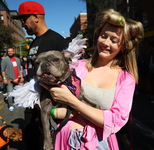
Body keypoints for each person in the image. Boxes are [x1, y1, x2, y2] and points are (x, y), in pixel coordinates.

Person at [40, 9, 144, 150]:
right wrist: (54, 112)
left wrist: (72, 102)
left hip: (99, 143)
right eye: (103, 36)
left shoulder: (126, 79)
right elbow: (41, 95)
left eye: (114, 40)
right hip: (64, 139)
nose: (106, 43)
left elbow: (117, 120)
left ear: (123, 46)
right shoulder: (76, 67)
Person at [11, 1, 69, 149]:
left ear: (35, 17)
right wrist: (24, 79)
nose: (23, 24)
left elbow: (70, 72)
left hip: (50, 102)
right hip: (32, 102)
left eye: (24, 20)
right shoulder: (34, 42)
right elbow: (34, 70)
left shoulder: (57, 40)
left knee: (50, 141)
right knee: (30, 139)